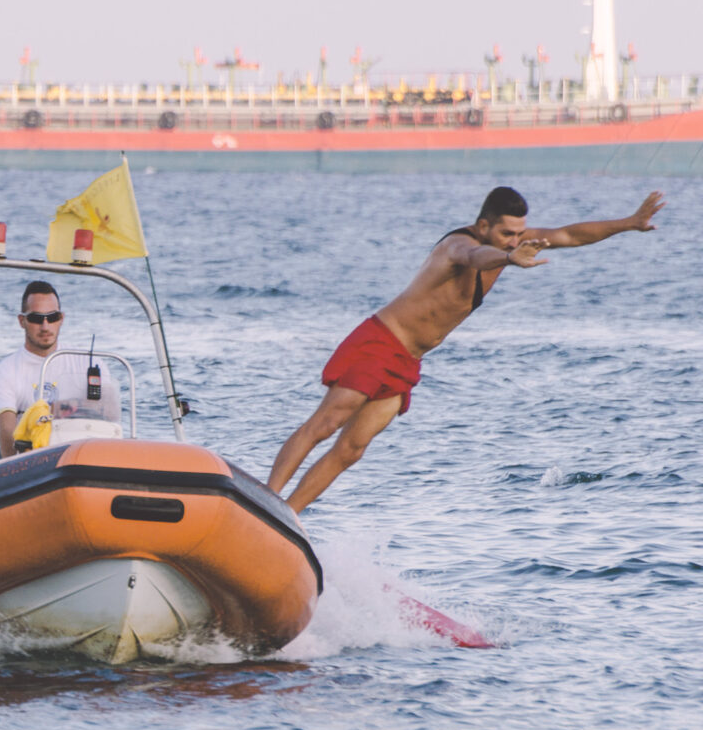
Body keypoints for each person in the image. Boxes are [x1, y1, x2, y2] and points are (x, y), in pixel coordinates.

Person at [268, 186, 664, 512]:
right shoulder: (459, 246)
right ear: (483, 225)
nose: (516, 240)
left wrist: (628, 224)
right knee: (324, 425)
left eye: (518, 234)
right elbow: (475, 256)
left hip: (406, 361)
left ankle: (290, 516)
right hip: (379, 343)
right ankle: (268, 500)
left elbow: (570, 235)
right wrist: (508, 257)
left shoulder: (511, 244)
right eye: (507, 234)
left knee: (352, 449)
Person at [0, 280, 123, 457]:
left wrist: (58, 409)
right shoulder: (6, 371)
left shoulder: (89, 363)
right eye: (36, 318)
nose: (45, 326)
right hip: (35, 459)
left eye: (52, 317)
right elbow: (7, 429)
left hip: (86, 454)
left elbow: (110, 412)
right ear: (22, 321)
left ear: (61, 319)